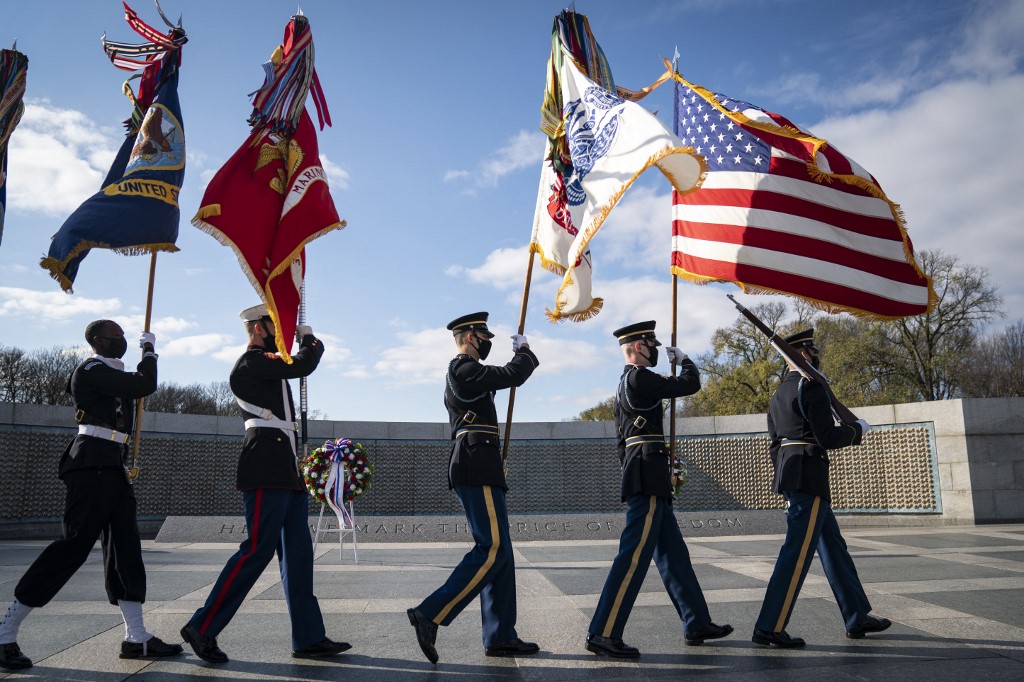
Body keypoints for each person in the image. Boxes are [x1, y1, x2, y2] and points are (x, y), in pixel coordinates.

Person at [0, 320, 182, 671]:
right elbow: (145, 384)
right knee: (73, 547)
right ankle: (6, 631)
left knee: (125, 548)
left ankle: (136, 637)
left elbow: (132, 390)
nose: (123, 341)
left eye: (125, 337)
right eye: (117, 337)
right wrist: (150, 352)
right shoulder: (91, 369)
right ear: (98, 341)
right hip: (90, 466)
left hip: (111, 467)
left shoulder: (110, 371)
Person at [180, 305, 349, 664]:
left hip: (285, 470)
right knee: (256, 550)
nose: (283, 333)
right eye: (277, 325)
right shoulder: (251, 362)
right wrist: (310, 340)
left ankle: (308, 637)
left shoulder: (267, 363)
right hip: (264, 467)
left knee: (299, 556)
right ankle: (203, 626)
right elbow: (301, 364)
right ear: (258, 327)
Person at [586, 321, 733, 659]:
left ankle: (696, 622)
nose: (654, 347)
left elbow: (622, 441)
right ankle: (603, 632)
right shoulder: (638, 377)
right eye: (651, 342)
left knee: (673, 556)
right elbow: (689, 385)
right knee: (633, 555)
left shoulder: (623, 383)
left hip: (646, 469)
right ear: (637, 346)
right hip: (648, 472)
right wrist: (685, 360)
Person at [407, 312, 540, 664]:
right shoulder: (463, 369)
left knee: (501, 551)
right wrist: (524, 353)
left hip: (482, 461)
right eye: (483, 336)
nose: (487, 341)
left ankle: (500, 634)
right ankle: (431, 612)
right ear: (468, 337)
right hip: (474, 462)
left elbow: (504, 379)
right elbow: (513, 374)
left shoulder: (470, 372)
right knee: (492, 547)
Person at [752, 328, 891, 648]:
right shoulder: (810, 386)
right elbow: (827, 437)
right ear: (803, 354)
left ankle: (856, 615)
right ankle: (768, 625)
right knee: (796, 554)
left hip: (792, 475)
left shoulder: (779, 394)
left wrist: (786, 485)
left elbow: (774, 446)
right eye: (812, 352)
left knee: (833, 549)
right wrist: (856, 430)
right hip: (810, 475)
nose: (816, 356)